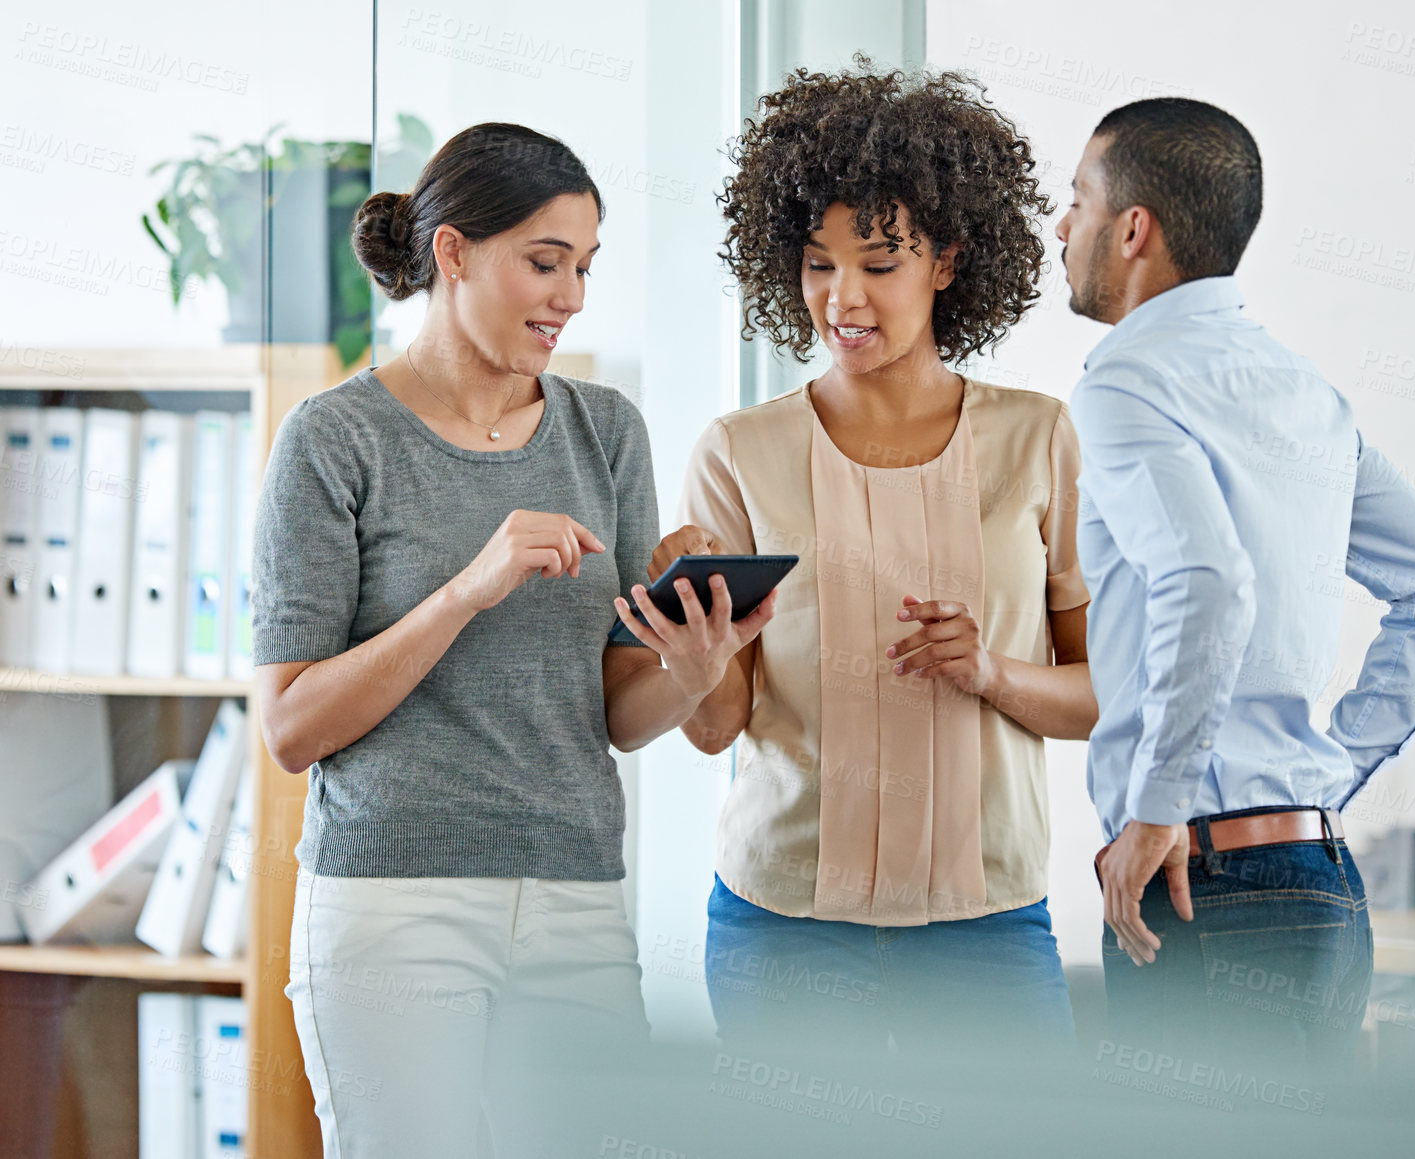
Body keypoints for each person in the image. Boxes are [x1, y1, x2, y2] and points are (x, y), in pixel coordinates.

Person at [251, 123, 772, 1158]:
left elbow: (618, 716)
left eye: (582, 266)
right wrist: (464, 592)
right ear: (452, 254)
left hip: (576, 892)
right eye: (544, 262)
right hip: (393, 902)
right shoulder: (334, 439)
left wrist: (693, 667)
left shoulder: (606, 431)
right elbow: (292, 726)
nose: (571, 295)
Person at [649, 60, 1096, 1058]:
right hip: (785, 927)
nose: (841, 298)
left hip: (986, 924)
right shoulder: (738, 452)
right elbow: (720, 729)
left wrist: (989, 672)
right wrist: (694, 660)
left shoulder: (1038, 439)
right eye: (817, 263)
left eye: (879, 264)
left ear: (948, 260)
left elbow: (1103, 695)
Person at [1055, 98, 1415, 1063]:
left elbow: (1206, 580)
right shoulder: (1302, 389)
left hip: (1203, 886)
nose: (1061, 225)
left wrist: (1157, 807)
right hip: (1317, 882)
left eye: (1077, 199)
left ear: (1134, 229)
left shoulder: (1122, 384)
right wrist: (1328, 771)